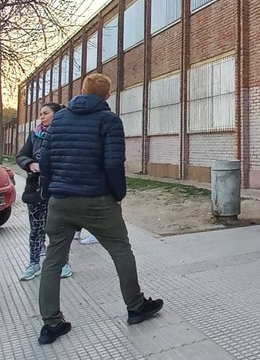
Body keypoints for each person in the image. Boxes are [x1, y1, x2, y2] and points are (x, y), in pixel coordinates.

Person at [36, 73, 163, 345]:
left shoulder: (59, 119)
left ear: (81, 90)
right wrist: (118, 195)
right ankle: (135, 306)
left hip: (61, 199)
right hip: (97, 199)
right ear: (107, 96)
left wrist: (50, 190)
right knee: (120, 249)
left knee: (54, 259)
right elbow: (113, 163)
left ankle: (51, 323)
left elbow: (44, 159)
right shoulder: (109, 121)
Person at [16, 102, 71, 281]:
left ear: (57, 115)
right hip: (36, 189)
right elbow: (21, 155)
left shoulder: (65, 135)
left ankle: (63, 263)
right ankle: (33, 263)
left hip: (57, 190)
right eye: (40, 113)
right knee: (36, 229)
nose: (41, 116)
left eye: (45, 113)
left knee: (59, 230)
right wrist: (30, 164)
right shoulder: (35, 135)